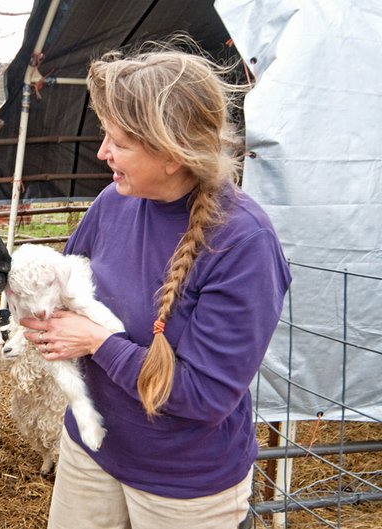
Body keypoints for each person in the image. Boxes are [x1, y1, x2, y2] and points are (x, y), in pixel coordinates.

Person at [19, 42, 292, 529]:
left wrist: (99, 343)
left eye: (119, 143)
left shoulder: (244, 244)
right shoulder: (114, 201)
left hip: (183, 485)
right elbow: (67, 280)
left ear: (172, 153)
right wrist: (36, 314)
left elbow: (204, 395)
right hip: (93, 447)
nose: (103, 153)